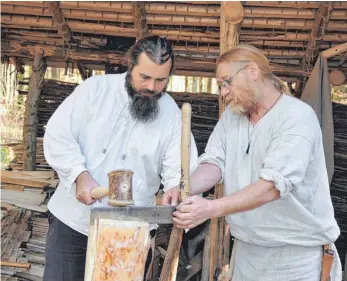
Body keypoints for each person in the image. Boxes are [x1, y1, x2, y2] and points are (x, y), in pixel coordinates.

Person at [163, 44, 342, 281]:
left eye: (226, 82)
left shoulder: (297, 117)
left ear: (253, 71)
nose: (223, 92)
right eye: (220, 86)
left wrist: (210, 209)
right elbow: (214, 162)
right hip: (246, 253)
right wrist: (185, 187)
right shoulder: (232, 116)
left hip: (296, 260)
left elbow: (272, 186)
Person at [43, 35, 198, 281]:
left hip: (130, 232)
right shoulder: (94, 90)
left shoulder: (172, 116)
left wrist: (176, 189)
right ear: (130, 66)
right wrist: (78, 175)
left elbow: (181, 169)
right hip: (74, 223)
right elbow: (57, 135)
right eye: (144, 77)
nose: (151, 87)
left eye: (160, 80)